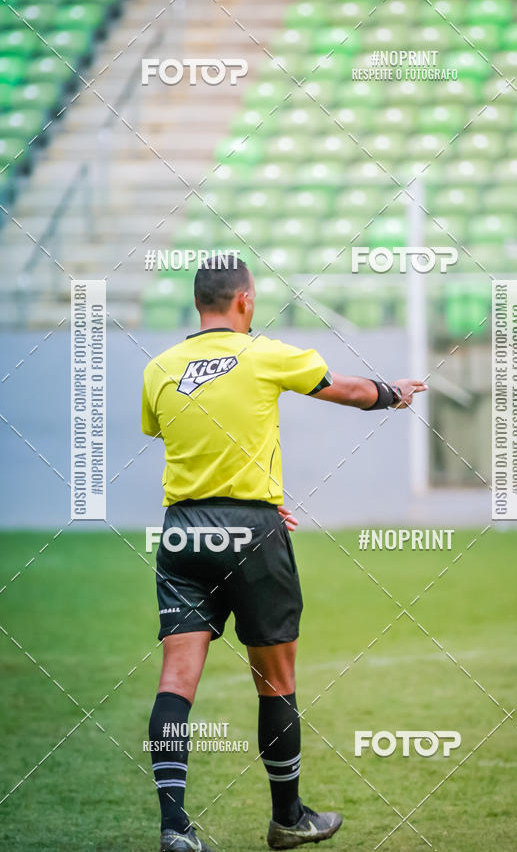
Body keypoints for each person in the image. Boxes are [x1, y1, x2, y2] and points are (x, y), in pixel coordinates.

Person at [141, 255, 427, 850]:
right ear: (244, 300)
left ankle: (175, 828)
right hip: (253, 532)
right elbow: (344, 390)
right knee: (275, 681)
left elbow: (174, 435)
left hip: (183, 531)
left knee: (175, 681)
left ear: (199, 302)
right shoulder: (266, 352)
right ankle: (289, 818)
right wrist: (391, 393)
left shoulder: (160, 368)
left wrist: (240, 502)